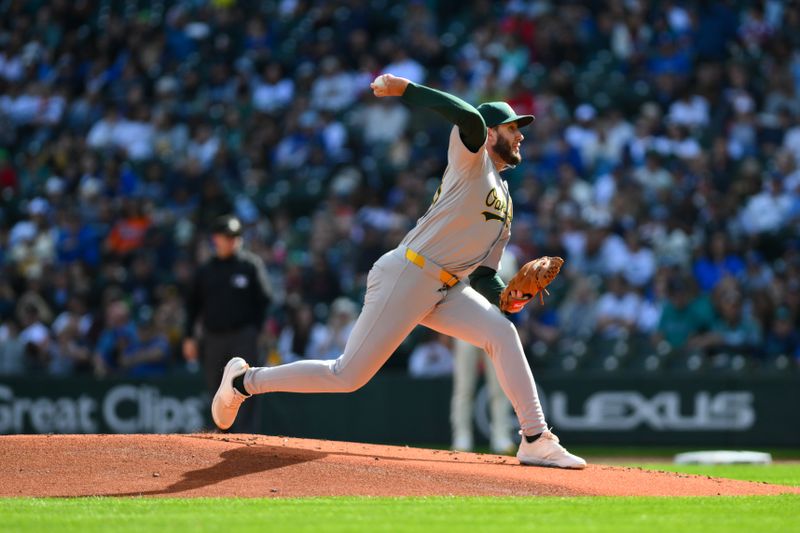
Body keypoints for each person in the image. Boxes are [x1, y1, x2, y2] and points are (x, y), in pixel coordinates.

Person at [211, 74, 586, 469]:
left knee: (501, 332)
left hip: (449, 288)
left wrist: (511, 299)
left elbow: (484, 276)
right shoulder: (471, 159)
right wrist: (407, 90)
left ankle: (534, 438)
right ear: (493, 134)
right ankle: (244, 382)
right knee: (347, 376)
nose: (521, 136)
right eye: (513, 128)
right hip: (410, 273)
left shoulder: (506, 204)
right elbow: (470, 118)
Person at [183, 215, 273, 433]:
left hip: (244, 336)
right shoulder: (205, 271)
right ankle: (223, 432)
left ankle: (245, 435)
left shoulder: (250, 265)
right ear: (216, 239)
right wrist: (189, 337)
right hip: (213, 337)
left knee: (246, 384)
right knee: (216, 385)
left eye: (235, 236)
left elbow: (266, 299)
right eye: (227, 236)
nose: (232, 240)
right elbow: (192, 306)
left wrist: (259, 330)